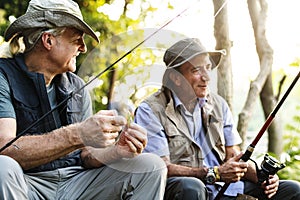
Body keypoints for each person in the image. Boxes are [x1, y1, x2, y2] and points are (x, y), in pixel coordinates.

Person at [0, 0, 167, 199]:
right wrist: (78, 134)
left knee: (151, 167)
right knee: (3, 166)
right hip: (26, 183)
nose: (83, 48)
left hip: (77, 182)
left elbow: (87, 156)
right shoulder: (3, 75)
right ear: (48, 40)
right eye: (77, 39)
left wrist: (116, 150)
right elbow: (5, 149)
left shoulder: (77, 86)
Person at [134, 37, 300, 200]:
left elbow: (233, 154)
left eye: (208, 67)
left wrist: (262, 176)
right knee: (192, 187)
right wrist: (214, 173)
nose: (206, 77)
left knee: (293, 190)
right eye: (196, 70)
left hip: (226, 188)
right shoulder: (150, 111)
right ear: (176, 78)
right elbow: (160, 168)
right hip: (183, 190)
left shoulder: (219, 105)